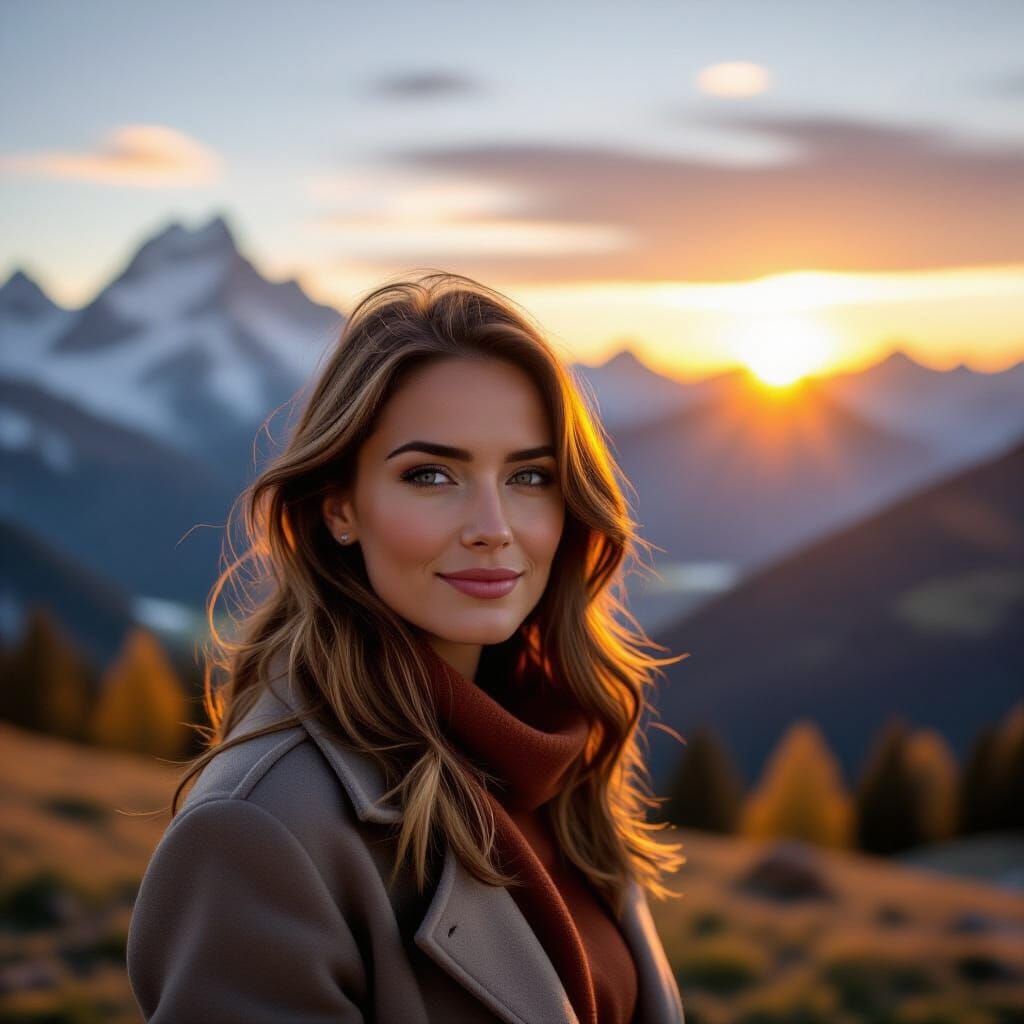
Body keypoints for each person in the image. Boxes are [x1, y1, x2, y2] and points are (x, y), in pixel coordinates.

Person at [126, 271, 688, 1023]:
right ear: (339, 508)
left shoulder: (557, 756)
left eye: (529, 475)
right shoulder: (257, 831)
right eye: (431, 475)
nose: (493, 527)